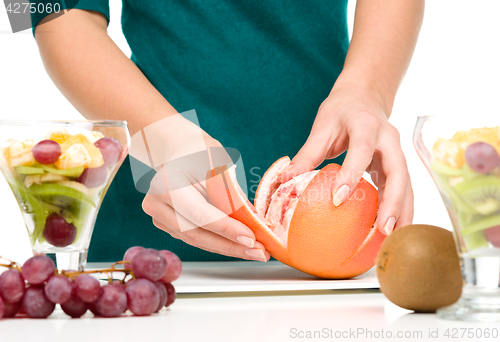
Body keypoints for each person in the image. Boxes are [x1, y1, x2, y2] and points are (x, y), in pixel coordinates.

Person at [31, 0, 423, 263]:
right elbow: (46, 11)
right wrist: (164, 139)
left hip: (334, 229)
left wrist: (366, 93)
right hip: (147, 232)